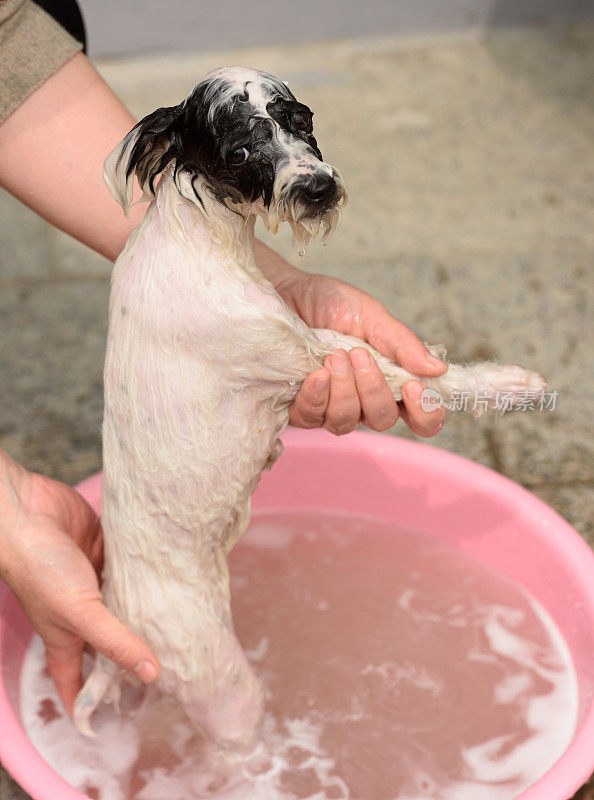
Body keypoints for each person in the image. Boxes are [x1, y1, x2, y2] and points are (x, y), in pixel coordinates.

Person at [0, 0, 447, 718]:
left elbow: (5, 40)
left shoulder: (181, 206)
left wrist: (286, 285)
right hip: (167, 593)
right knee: (240, 733)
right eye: (241, 155)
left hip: (162, 557)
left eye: (296, 126)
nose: (305, 165)